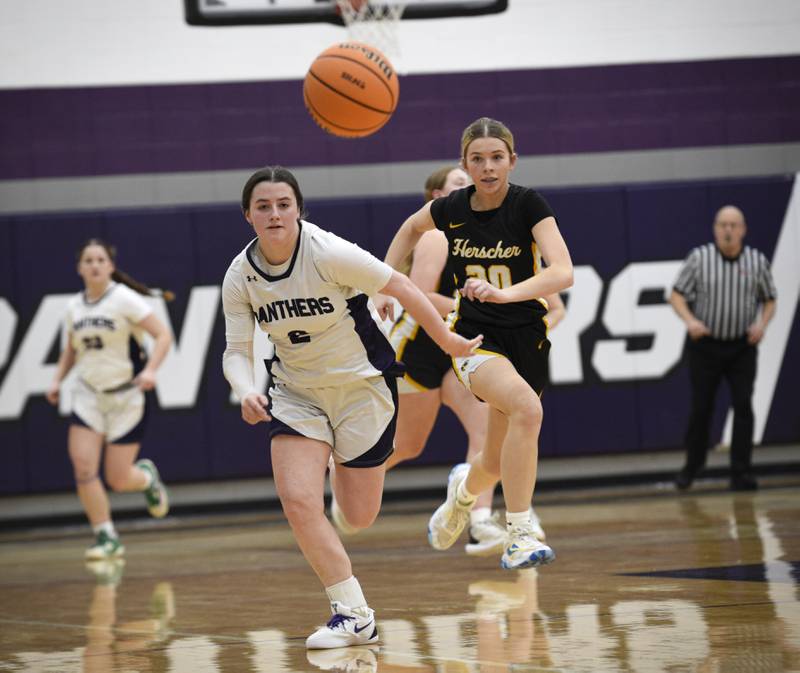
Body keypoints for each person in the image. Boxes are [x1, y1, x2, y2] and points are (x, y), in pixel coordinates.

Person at [221, 166, 481, 650]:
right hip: (296, 393)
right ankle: (353, 613)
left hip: (362, 388)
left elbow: (402, 287)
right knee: (298, 500)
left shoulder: (327, 251)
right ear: (248, 216)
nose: (274, 213)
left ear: (298, 209)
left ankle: (347, 495)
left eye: (283, 204)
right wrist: (245, 388)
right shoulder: (240, 275)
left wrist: (445, 337)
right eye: (263, 206)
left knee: (359, 516)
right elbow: (236, 349)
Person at [377, 117, 574, 570]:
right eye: (477, 159)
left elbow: (562, 271)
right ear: (465, 163)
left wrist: (507, 294)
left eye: (496, 158)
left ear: (512, 161)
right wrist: (386, 282)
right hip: (476, 339)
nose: (487, 167)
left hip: (528, 340)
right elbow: (409, 228)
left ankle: (461, 495)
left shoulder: (528, 205)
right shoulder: (452, 208)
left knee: (494, 460)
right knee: (528, 409)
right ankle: (519, 532)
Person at [46, 239, 172, 561]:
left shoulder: (125, 300)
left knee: (118, 479)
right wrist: (57, 380)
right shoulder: (74, 307)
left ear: (110, 266)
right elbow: (72, 349)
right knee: (84, 468)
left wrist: (151, 370)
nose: (94, 265)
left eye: (100, 259)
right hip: (88, 396)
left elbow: (163, 335)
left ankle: (147, 479)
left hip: (126, 397)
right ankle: (106, 536)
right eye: (88, 260)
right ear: (79, 268)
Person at [669, 205, 777, 491]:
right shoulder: (699, 258)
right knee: (701, 408)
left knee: (743, 406)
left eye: (733, 225)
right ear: (715, 228)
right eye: (723, 224)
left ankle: (741, 472)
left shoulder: (756, 261)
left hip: (742, 347)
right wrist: (690, 321)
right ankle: (692, 467)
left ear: (743, 229)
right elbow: (677, 295)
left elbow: (770, 298)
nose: (728, 230)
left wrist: (762, 324)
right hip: (706, 346)